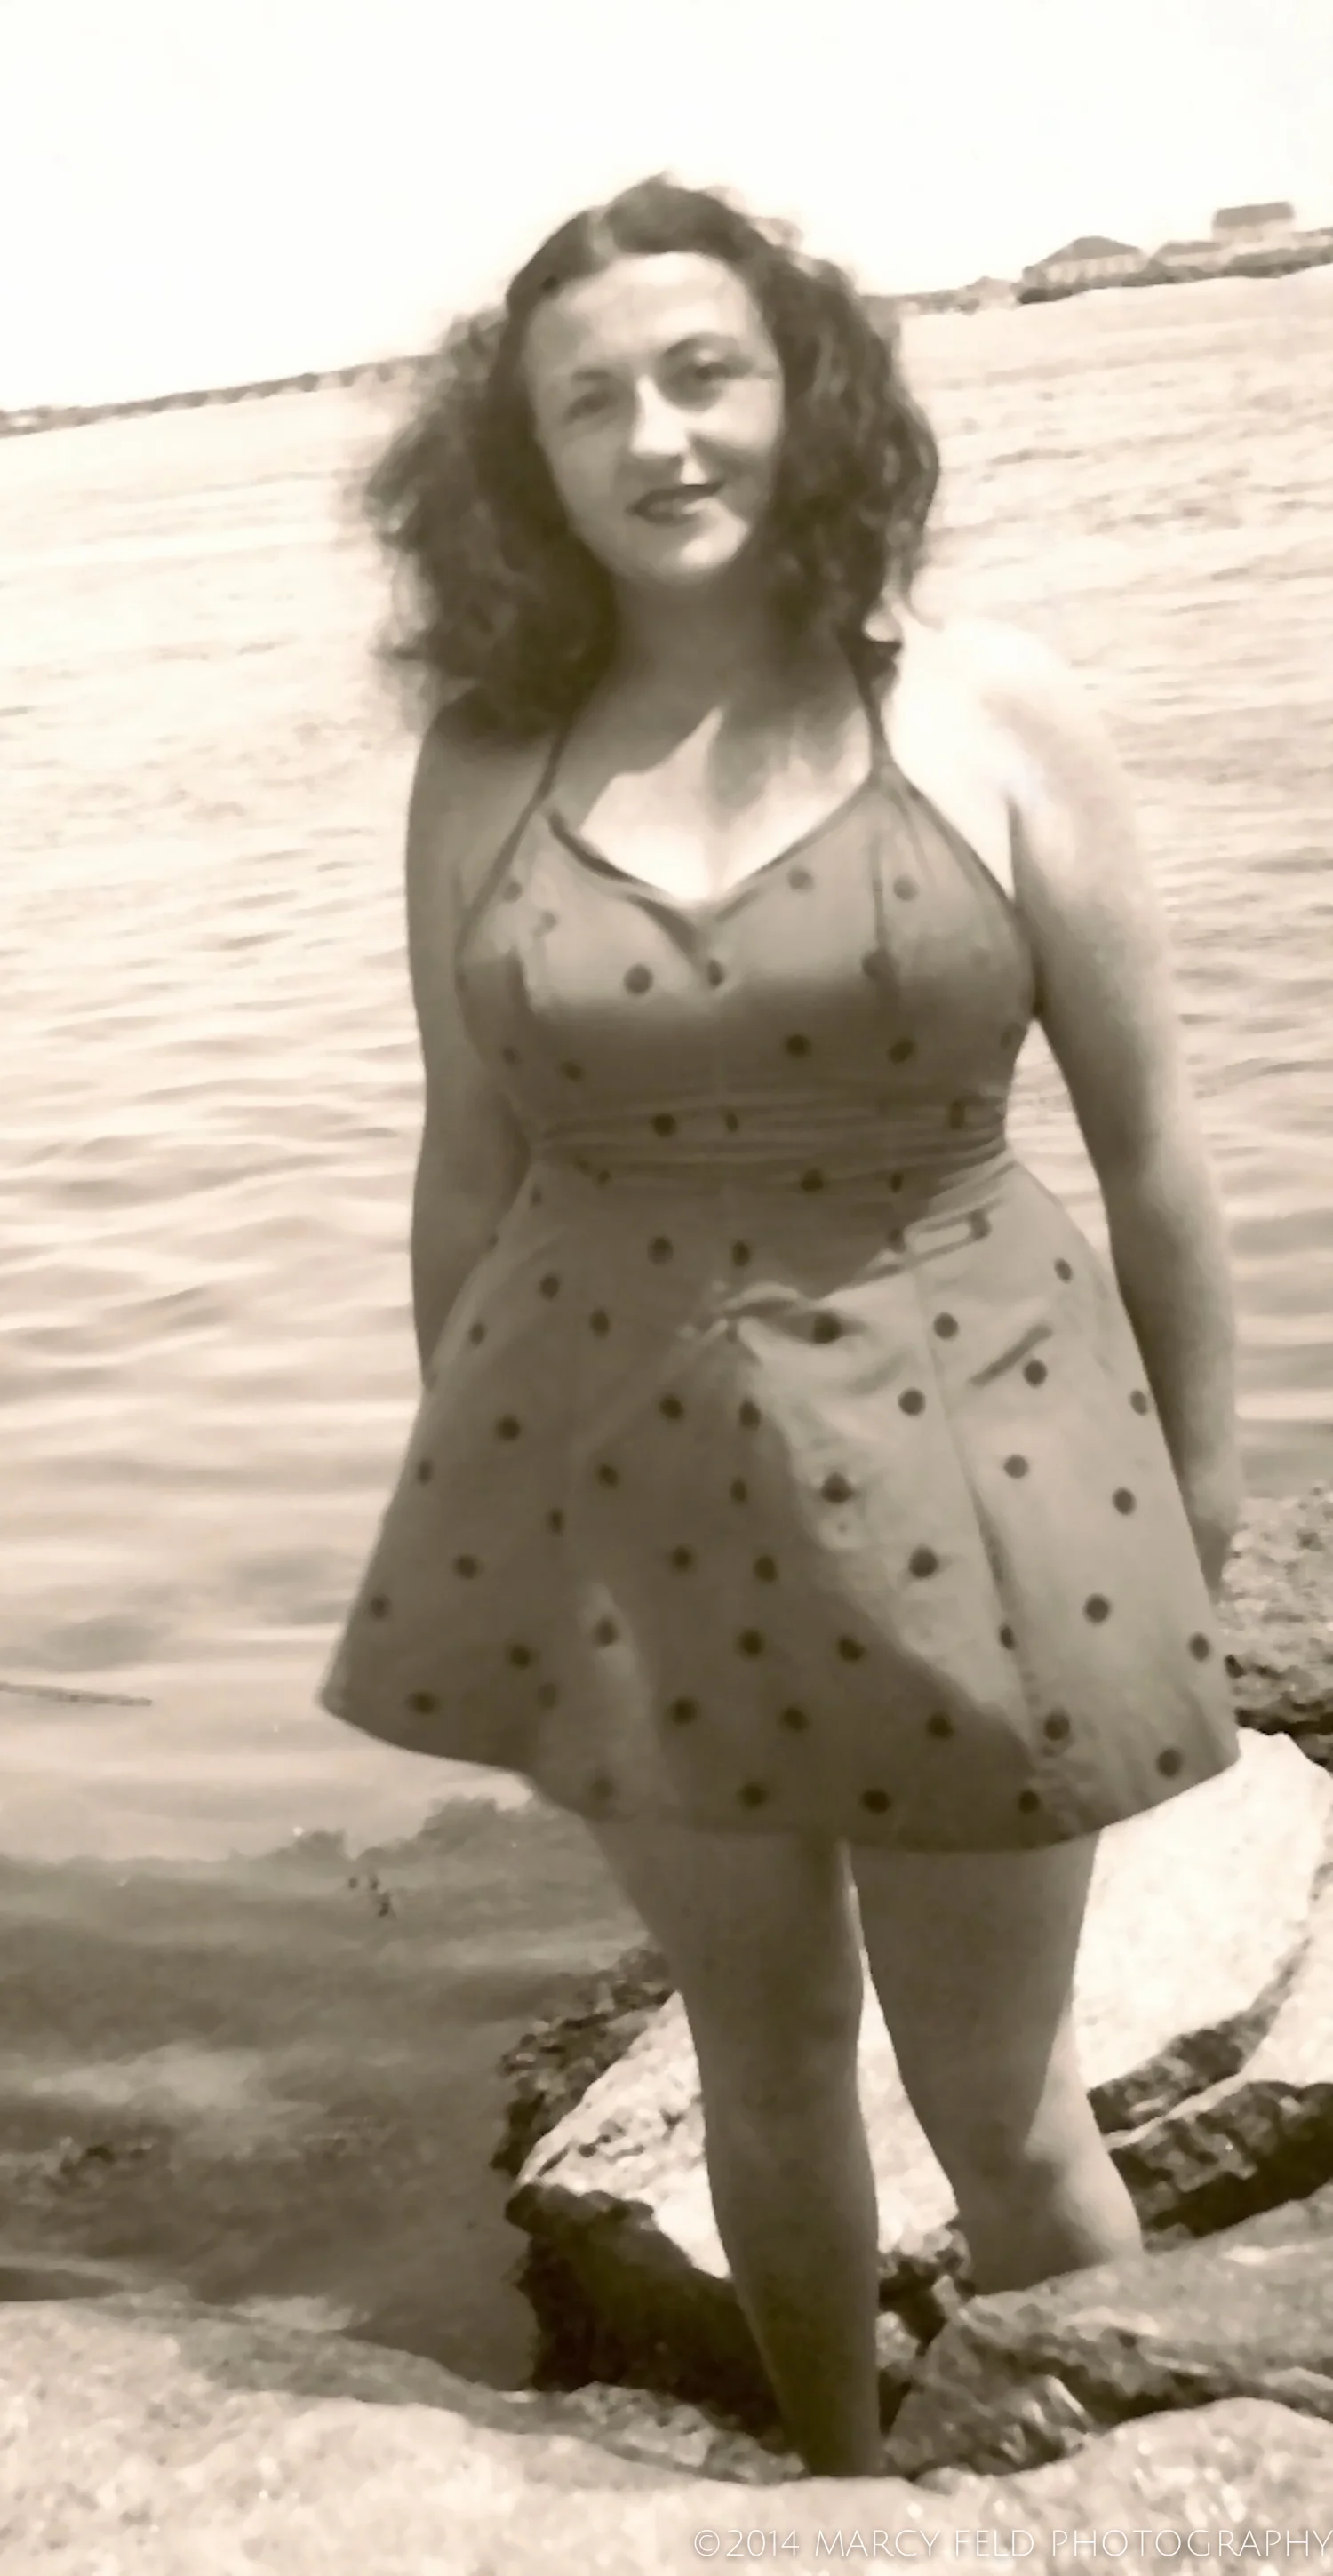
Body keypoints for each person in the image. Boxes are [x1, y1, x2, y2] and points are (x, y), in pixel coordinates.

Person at [317, 176, 1242, 2477]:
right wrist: (487, 1534)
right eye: (590, 402)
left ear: (804, 390)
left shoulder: (990, 704)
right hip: (621, 1482)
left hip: (986, 1462)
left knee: (1006, 2119)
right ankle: (826, 2495)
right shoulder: (485, 764)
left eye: (702, 371)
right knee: (754, 2066)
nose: (658, 436)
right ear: (519, 464)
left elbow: (1149, 1155)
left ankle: (1113, 2499)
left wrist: (1192, 1522)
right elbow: (466, 1166)